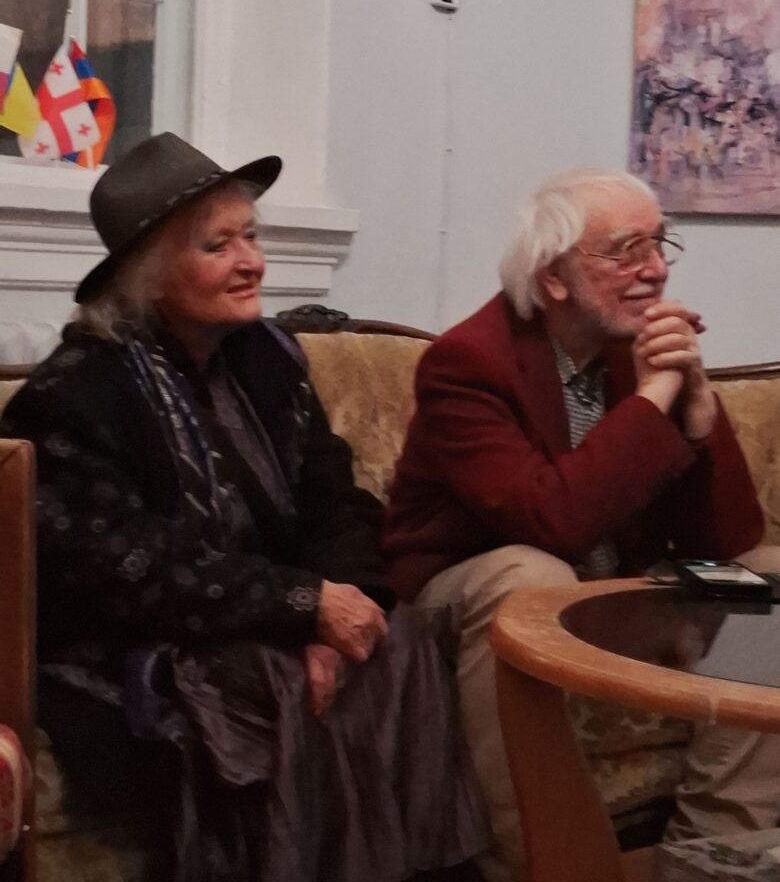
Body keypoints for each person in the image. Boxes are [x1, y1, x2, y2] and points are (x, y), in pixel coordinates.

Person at [0, 133, 488, 882]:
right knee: (274, 685)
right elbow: (133, 571)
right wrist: (301, 606)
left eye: (251, 236)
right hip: (136, 647)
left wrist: (338, 609)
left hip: (265, 614)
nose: (251, 261)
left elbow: (338, 502)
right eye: (217, 245)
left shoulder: (270, 363)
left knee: (397, 641)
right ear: (149, 277)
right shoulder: (75, 396)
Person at [383, 167, 779, 881]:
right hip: (466, 607)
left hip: (599, 599)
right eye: (626, 250)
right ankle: (542, 864)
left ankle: (715, 852)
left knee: (769, 577)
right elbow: (552, 521)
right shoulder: (467, 364)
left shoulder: (633, 353)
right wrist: (655, 398)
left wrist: (698, 411)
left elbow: (726, 543)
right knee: (529, 575)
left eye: (659, 244)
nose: (655, 270)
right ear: (553, 277)